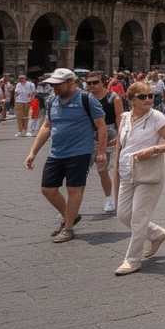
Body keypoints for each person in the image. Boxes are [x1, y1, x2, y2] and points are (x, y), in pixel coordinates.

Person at [23, 69, 108, 243]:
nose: (54, 87)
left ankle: (68, 227)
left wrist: (100, 151)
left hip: (80, 152)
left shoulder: (87, 99)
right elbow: (46, 127)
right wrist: (33, 152)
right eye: (52, 84)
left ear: (71, 82)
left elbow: (101, 126)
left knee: (74, 190)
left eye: (58, 84)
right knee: (48, 189)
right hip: (56, 152)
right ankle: (72, 215)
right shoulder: (52, 101)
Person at [112, 81, 165, 275]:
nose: (148, 99)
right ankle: (156, 233)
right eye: (142, 96)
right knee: (123, 214)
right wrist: (115, 169)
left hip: (148, 172)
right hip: (126, 171)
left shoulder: (156, 117)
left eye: (150, 96)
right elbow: (120, 146)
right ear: (130, 100)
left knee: (139, 217)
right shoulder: (124, 118)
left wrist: (155, 149)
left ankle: (133, 259)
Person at [85, 73, 125, 213]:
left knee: (103, 170)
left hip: (109, 134)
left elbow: (120, 120)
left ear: (103, 83)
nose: (91, 85)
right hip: (89, 135)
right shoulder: (85, 98)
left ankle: (109, 198)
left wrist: (119, 138)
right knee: (81, 169)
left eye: (95, 82)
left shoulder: (113, 98)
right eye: (88, 83)